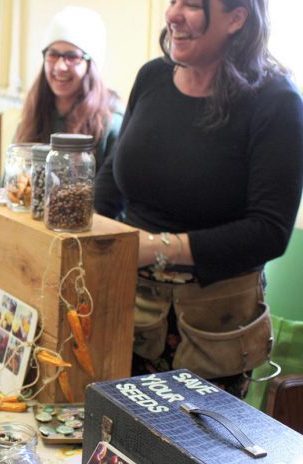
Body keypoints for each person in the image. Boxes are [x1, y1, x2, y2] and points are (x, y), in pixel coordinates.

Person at [94, 0, 303, 398]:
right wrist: (92, 243)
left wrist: (156, 248)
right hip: (126, 312)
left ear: (237, 18)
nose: (173, 13)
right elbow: (114, 180)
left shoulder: (276, 101)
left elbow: (269, 231)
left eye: (192, 4)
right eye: (172, 1)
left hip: (211, 332)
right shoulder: (152, 77)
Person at [15, 6, 122, 171]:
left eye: (72, 57)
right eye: (53, 54)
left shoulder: (110, 124)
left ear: (90, 65)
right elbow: (9, 183)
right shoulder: (33, 116)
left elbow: (110, 193)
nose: (60, 66)